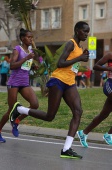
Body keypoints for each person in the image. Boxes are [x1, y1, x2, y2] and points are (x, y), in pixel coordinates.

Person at [9, 21, 90, 159]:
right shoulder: (70, 43)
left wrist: (82, 57)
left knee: (78, 112)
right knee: (49, 116)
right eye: (84, 32)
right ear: (77, 31)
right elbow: (60, 63)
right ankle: (20, 110)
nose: (87, 34)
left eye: (88, 32)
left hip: (70, 83)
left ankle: (66, 149)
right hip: (58, 81)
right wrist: (79, 58)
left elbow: (73, 64)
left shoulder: (79, 46)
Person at [0, 28, 39, 142]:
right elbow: (12, 65)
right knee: (11, 110)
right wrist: (27, 58)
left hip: (25, 82)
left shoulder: (30, 50)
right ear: (23, 38)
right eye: (28, 37)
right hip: (14, 82)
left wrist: (32, 66)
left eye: (32, 37)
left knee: (35, 104)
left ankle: (17, 121)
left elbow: (25, 65)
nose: (31, 39)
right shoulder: (17, 49)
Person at [77, 52, 112, 147]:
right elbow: (96, 66)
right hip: (110, 84)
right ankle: (109, 134)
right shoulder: (110, 55)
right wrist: (108, 68)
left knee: (103, 115)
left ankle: (84, 133)